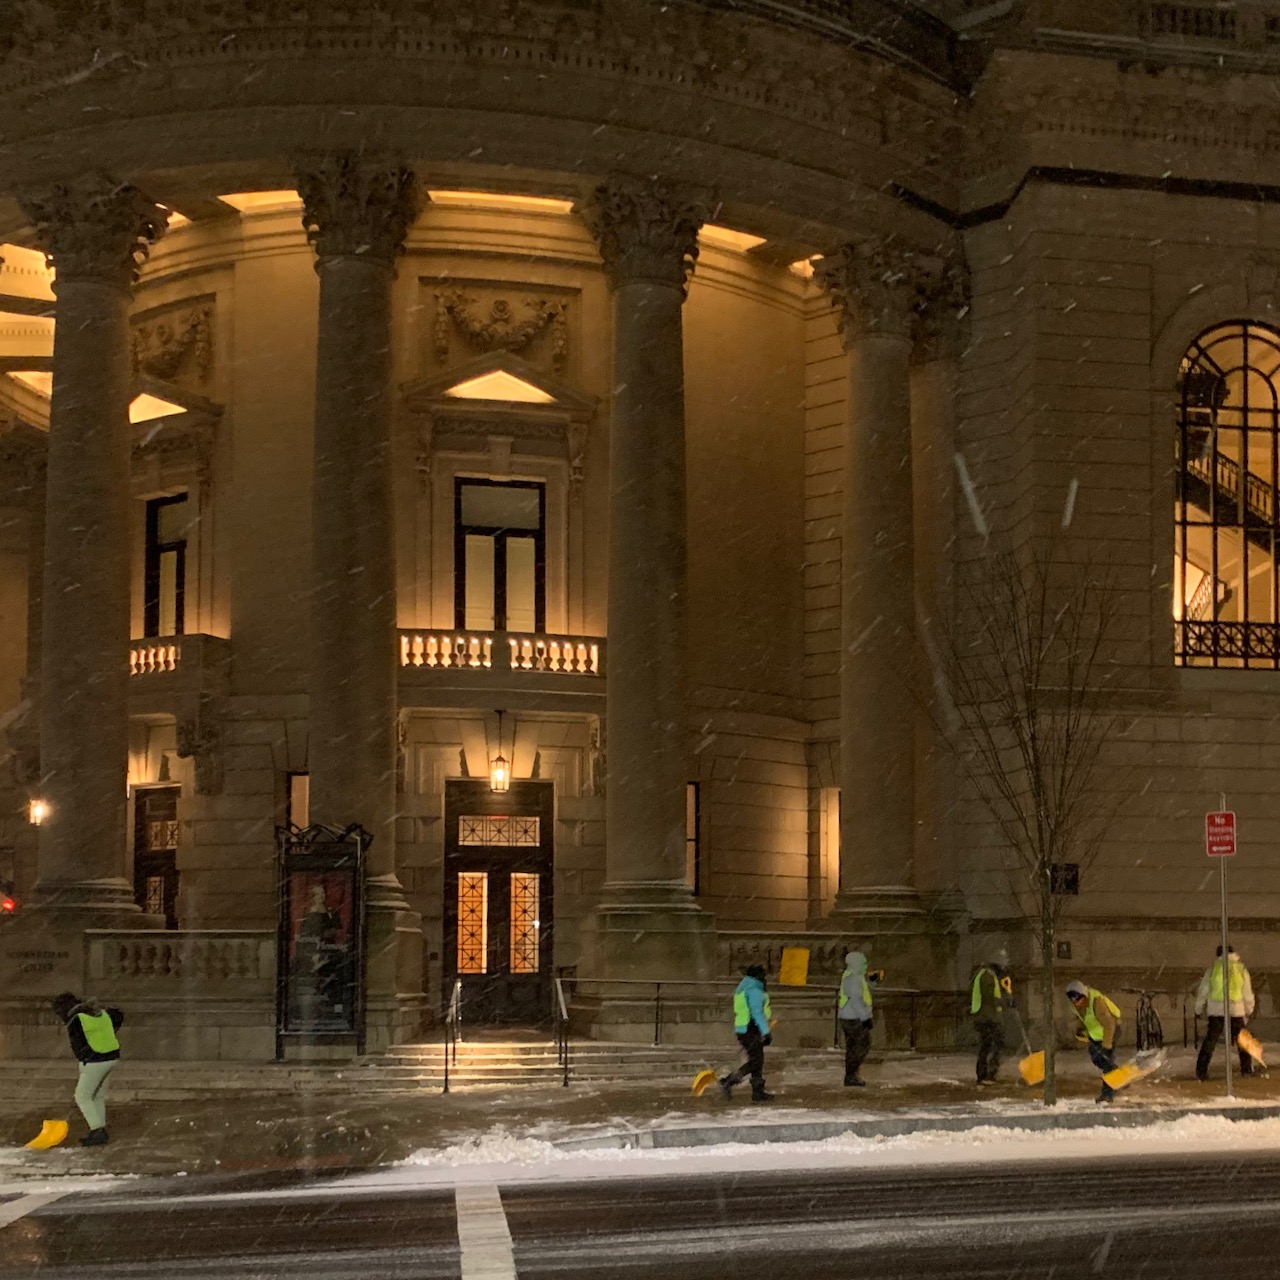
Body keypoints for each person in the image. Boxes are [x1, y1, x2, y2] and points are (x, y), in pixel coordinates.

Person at [52, 991, 124, 1146]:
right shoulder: (99, 1013)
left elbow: (77, 1044)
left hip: (95, 1059)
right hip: (112, 1056)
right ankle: (100, 1129)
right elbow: (117, 1016)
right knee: (97, 1095)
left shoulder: (76, 1019)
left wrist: (84, 1057)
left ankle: (97, 1130)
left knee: (82, 1096)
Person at [1194, 944, 1256, 1081]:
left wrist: (1198, 1009)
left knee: (1210, 1041)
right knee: (1243, 1041)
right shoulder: (1241, 969)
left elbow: (1203, 991)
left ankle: (1201, 1070)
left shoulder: (1213, 969)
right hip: (1236, 1010)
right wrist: (1249, 1010)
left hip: (1216, 1010)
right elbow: (1247, 992)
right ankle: (1246, 1069)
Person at [720, 964, 774, 1102]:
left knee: (757, 1059)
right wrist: (766, 1032)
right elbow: (757, 1013)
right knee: (756, 1061)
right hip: (750, 1029)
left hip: (744, 1028)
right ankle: (729, 1081)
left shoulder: (744, 987)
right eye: (763, 976)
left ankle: (758, 1092)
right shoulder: (753, 990)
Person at [1066, 980, 1122, 1104]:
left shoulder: (1097, 1002)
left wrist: (1107, 1045)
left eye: (1078, 999)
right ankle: (1118, 1077)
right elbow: (1083, 1018)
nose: (1076, 1003)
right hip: (1096, 1035)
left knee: (1107, 1063)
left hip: (1110, 1032)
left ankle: (1107, 1095)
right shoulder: (1076, 1006)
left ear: (1084, 996)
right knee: (1097, 1059)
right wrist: (1081, 1029)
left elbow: (1109, 1024)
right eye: (1073, 1000)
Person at [970, 948, 1011, 1086]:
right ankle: (986, 1075)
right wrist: (1006, 1001)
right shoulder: (987, 976)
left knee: (989, 1045)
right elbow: (990, 999)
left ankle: (987, 1074)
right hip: (987, 1018)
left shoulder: (988, 975)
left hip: (987, 1017)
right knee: (991, 1045)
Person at [837, 950, 875, 1087]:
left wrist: (872, 982)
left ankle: (851, 1075)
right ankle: (851, 1075)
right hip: (853, 1018)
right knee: (860, 1045)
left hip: (850, 1017)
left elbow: (861, 992)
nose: (865, 965)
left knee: (855, 1046)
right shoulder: (852, 978)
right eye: (863, 963)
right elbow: (856, 1000)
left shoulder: (853, 977)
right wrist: (865, 1018)